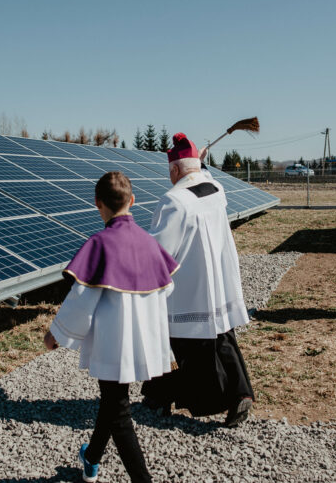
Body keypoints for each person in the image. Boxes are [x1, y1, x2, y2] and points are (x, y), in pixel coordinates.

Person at [43, 171, 179, 483]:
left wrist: (56, 334)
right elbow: (165, 290)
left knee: (118, 411)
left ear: (97, 204)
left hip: (113, 341)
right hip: (142, 338)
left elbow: (81, 299)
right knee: (112, 400)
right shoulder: (149, 243)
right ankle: (91, 459)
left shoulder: (99, 244)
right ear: (133, 201)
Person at [141, 132, 255, 427]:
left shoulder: (174, 201)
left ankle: (169, 396)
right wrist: (200, 164)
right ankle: (241, 393)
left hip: (187, 291)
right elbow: (199, 177)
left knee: (187, 354)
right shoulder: (215, 188)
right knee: (222, 337)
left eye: (171, 171)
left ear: (175, 169)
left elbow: (159, 252)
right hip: (217, 282)